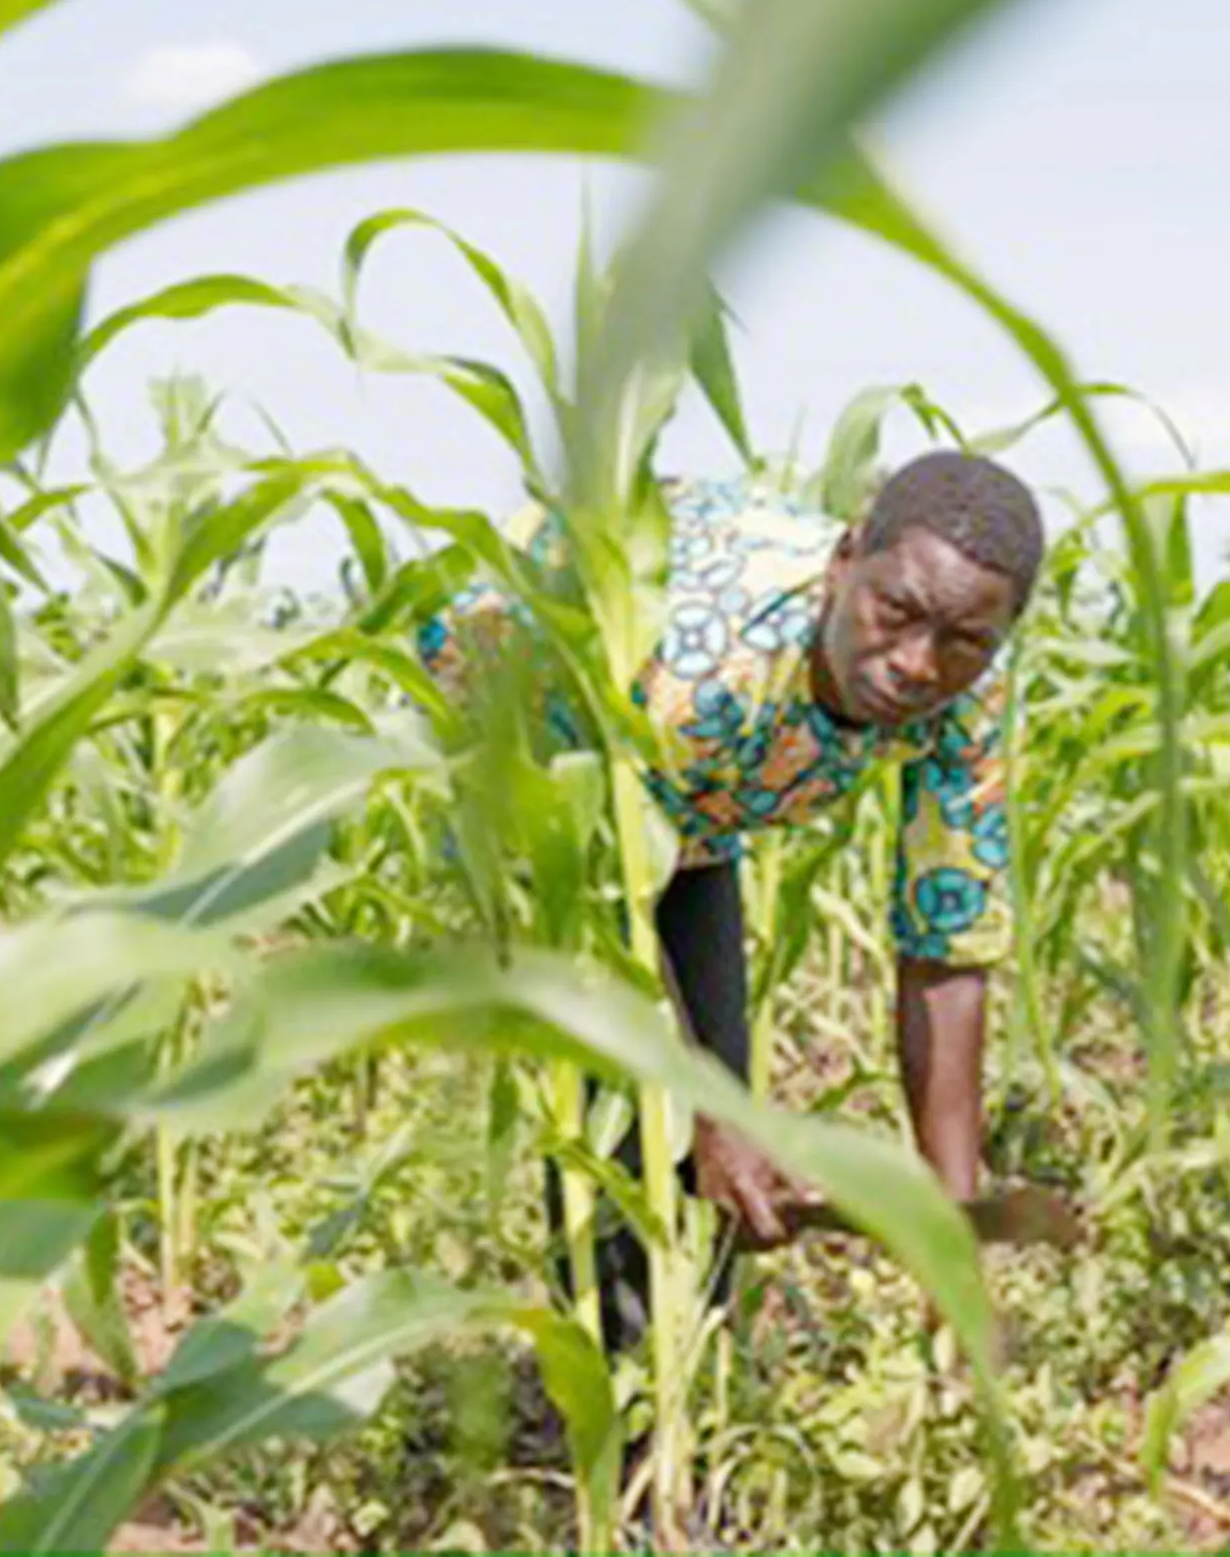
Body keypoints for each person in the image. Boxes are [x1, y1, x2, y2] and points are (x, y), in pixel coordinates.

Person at [416, 449, 1045, 1348]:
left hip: (682, 805)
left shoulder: (966, 700)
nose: (917, 664)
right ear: (845, 560)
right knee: (633, 1111)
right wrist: (709, 1117)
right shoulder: (704, 669)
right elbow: (605, 893)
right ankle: (618, 1399)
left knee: (713, 1098)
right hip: (518, 728)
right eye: (895, 613)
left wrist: (957, 1230)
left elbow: (944, 948)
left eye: (963, 643)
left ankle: (686, 1367)